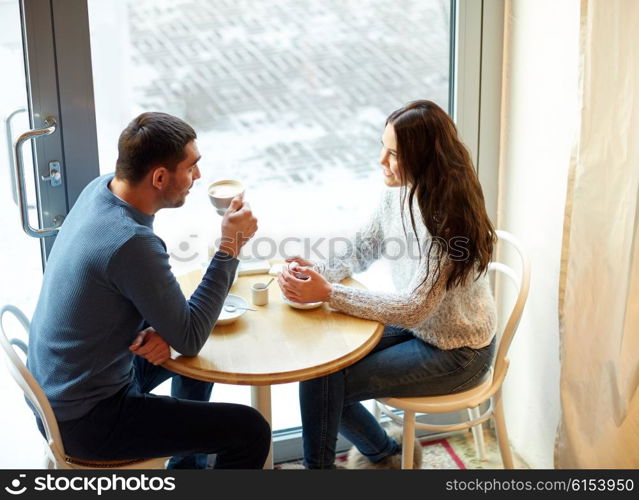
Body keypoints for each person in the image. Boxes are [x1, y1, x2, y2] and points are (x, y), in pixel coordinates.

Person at [27, 112, 270, 469]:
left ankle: (187, 469)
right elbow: (189, 337)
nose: (197, 177)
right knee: (251, 431)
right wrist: (230, 246)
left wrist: (162, 330)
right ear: (159, 177)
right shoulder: (131, 242)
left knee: (191, 355)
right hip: (91, 419)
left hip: (64, 388)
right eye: (191, 167)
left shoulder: (100, 190)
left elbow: (118, 293)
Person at [278, 100, 497, 469]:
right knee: (320, 370)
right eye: (384, 146)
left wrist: (329, 293)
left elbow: (415, 308)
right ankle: (385, 456)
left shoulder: (447, 219)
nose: (381, 159)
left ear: (424, 158)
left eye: (394, 153)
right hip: (422, 329)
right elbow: (363, 247)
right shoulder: (399, 193)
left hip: (458, 351)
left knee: (325, 387)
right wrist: (319, 272)